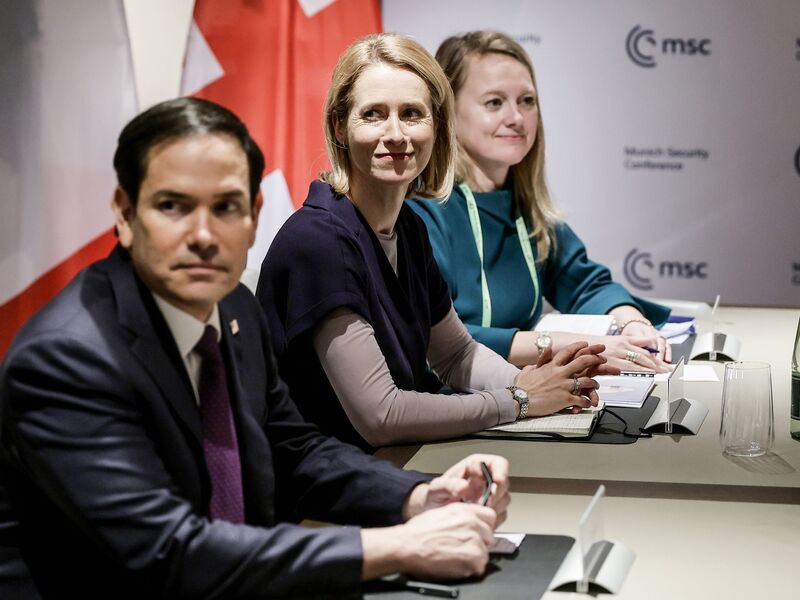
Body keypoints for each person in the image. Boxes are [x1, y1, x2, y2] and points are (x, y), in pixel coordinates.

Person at [0, 97, 515, 599]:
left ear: (253, 215)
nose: (203, 235)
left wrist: (418, 496)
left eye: (226, 207)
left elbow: (294, 450)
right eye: (172, 206)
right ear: (124, 213)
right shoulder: (65, 359)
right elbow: (169, 554)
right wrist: (396, 547)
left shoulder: (234, 308)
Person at [257, 33, 616, 452]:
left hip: (386, 462)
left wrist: (537, 384)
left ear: (438, 126)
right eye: (373, 114)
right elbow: (382, 416)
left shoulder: (408, 227)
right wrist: (520, 399)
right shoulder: (319, 241)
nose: (395, 134)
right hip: (317, 481)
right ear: (339, 125)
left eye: (412, 114)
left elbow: (456, 354)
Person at [408, 31, 672, 373]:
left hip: (520, 391)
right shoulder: (421, 214)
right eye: (494, 102)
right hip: (450, 398)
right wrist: (565, 345)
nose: (516, 117)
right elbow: (438, 340)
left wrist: (632, 322)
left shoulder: (526, 209)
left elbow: (584, 283)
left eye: (527, 101)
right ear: (448, 112)